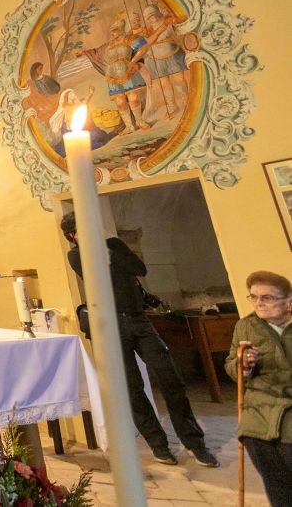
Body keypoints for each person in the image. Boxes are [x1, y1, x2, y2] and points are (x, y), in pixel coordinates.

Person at [61, 212, 218, 467]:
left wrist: (108, 248)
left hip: (138, 319)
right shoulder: (76, 255)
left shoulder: (114, 244)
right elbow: (95, 273)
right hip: (110, 325)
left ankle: (194, 442)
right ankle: (158, 444)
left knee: (170, 377)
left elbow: (139, 268)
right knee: (131, 385)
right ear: (73, 235)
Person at [224, 271, 292, 505]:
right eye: (253, 297)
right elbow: (231, 368)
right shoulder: (246, 326)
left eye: (267, 298)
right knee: (278, 488)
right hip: (258, 416)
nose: (259, 303)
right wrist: (242, 366)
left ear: (288, 302)